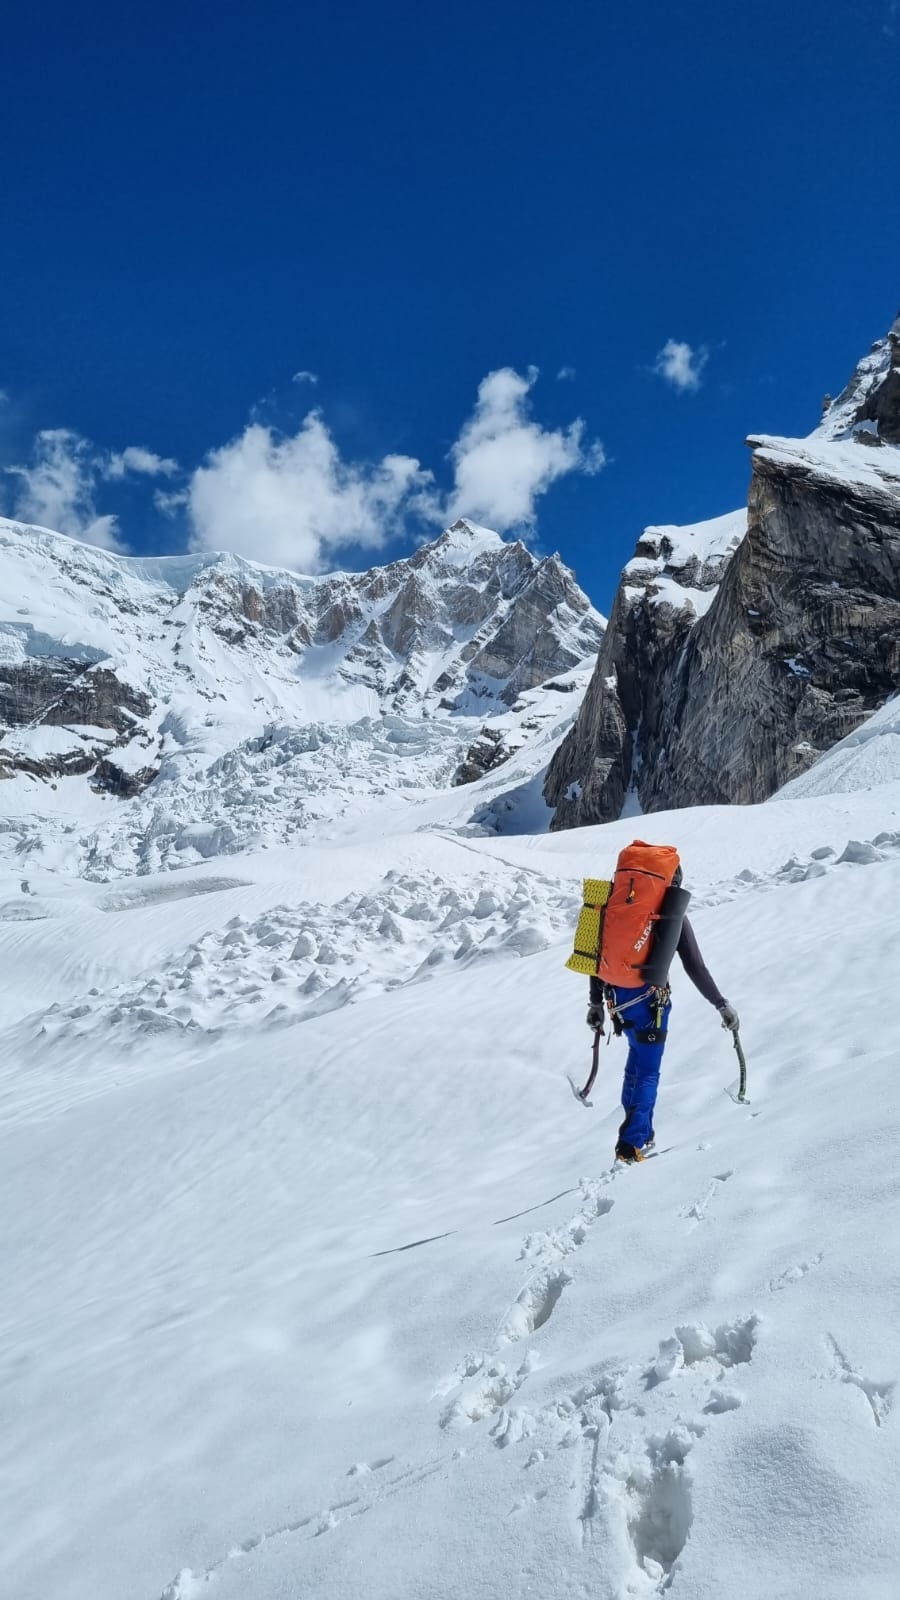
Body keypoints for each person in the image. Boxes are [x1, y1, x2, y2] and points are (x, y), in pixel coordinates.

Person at [587, 889, 739, 1164]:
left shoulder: (613, 902)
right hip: (650, 1003)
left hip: (616, 998)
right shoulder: (671, 912)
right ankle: (629, 1145)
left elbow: (596, 955)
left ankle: (642, 1133)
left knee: (635, 1064)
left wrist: (595, 1003)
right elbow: (695, 966)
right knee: (647, 1072)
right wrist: (720, 1003)